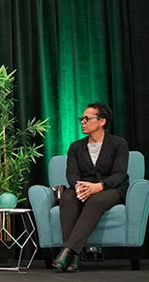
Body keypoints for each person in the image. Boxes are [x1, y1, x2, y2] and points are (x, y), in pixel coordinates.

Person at [53, 103, 130, 272]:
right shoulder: (75, 146)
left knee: (95, 201)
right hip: (83, 187)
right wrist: (79, 187)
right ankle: (72, 260)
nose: (82, 122)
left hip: (111, 188)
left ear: (101, 121)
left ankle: (68, 251)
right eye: (82, 119)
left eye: (87, 118)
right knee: (67, 197)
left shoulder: (118, 144)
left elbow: (120, 174)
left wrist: (99, 186)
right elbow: (71, 174)